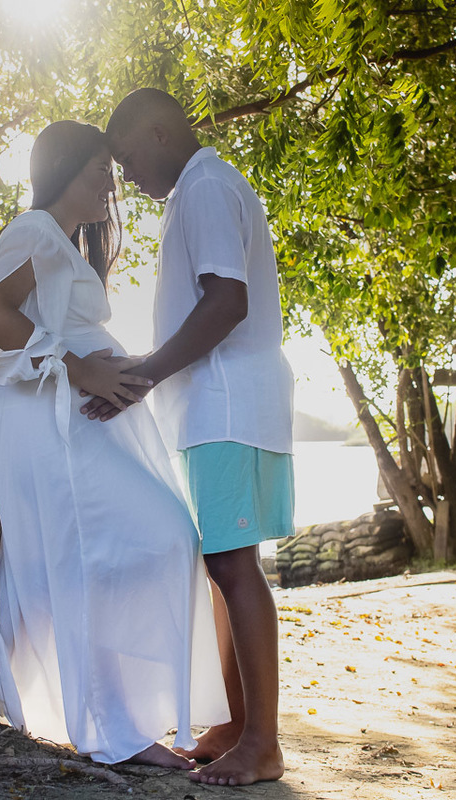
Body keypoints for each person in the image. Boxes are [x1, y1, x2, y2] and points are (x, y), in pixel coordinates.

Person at [0, 120, 229, 768]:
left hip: (76, 422)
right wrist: (81, 369)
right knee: (136, 543)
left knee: (136, 548)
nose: (110, 183)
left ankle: (121, 720)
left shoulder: (65, 243)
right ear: (64, 170)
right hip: (48, 421)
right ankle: (115, 729)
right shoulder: (34, 232)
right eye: (98, 170)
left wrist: (123, 369)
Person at [87, 88, 294, 786]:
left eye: (126, 156)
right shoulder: (202, 187)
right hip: (223, 406)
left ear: (157, 131)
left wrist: (144, 374)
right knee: (226, 567)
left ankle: (262, 741)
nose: (125, 175)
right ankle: (240, 724)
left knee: (235, 568)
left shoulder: (204, 185)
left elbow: (226, 301)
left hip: (227, 405)